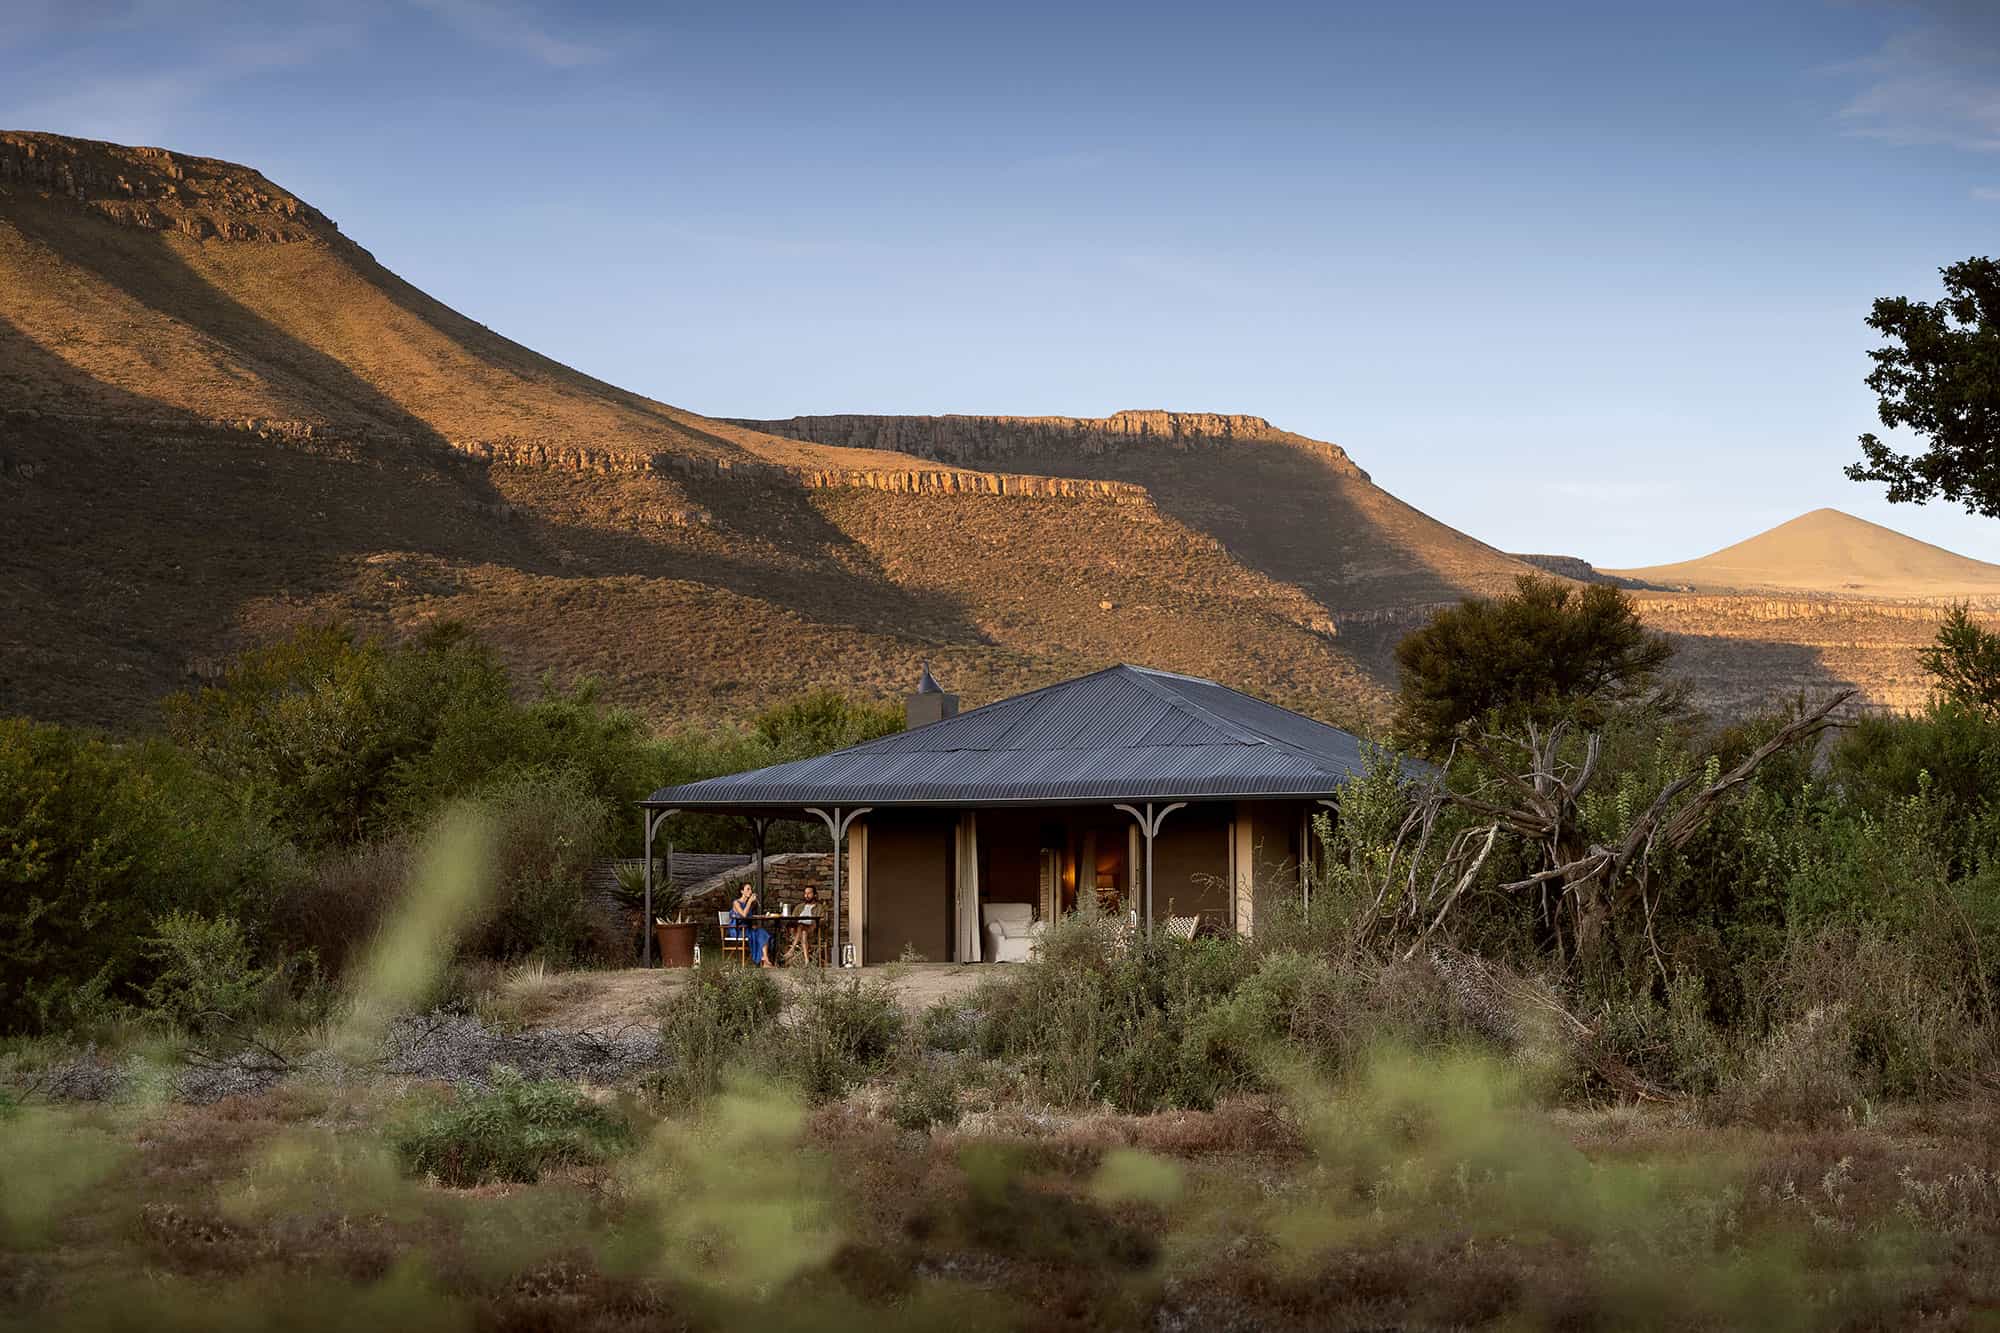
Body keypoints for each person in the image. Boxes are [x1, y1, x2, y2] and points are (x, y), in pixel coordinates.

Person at [729, 882, 772, 966]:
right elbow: (744, 915)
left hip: (747, 928)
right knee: (758, 933)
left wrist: (753, 923)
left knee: (762, 932)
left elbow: (749, 917)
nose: (750, 891)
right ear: (742, 891)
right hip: (738, 930)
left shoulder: (748, 904)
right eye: (748, 889)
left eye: (751, 889)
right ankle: (764, 960)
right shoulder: (736, 903)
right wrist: (749, 902)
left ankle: (765, 959)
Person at [784, 884, 820, 965]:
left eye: (809, 893)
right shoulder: (799, 907)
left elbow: (822, 920)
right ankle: (807, 961)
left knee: (802, 927)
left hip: (811, 929)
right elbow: (792, 918)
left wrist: (815, 923)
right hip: (797, 930)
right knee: (803, 931)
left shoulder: (819, 907)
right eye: (805, 893)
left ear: (815, 895)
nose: (806, 895)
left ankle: (792, 950)